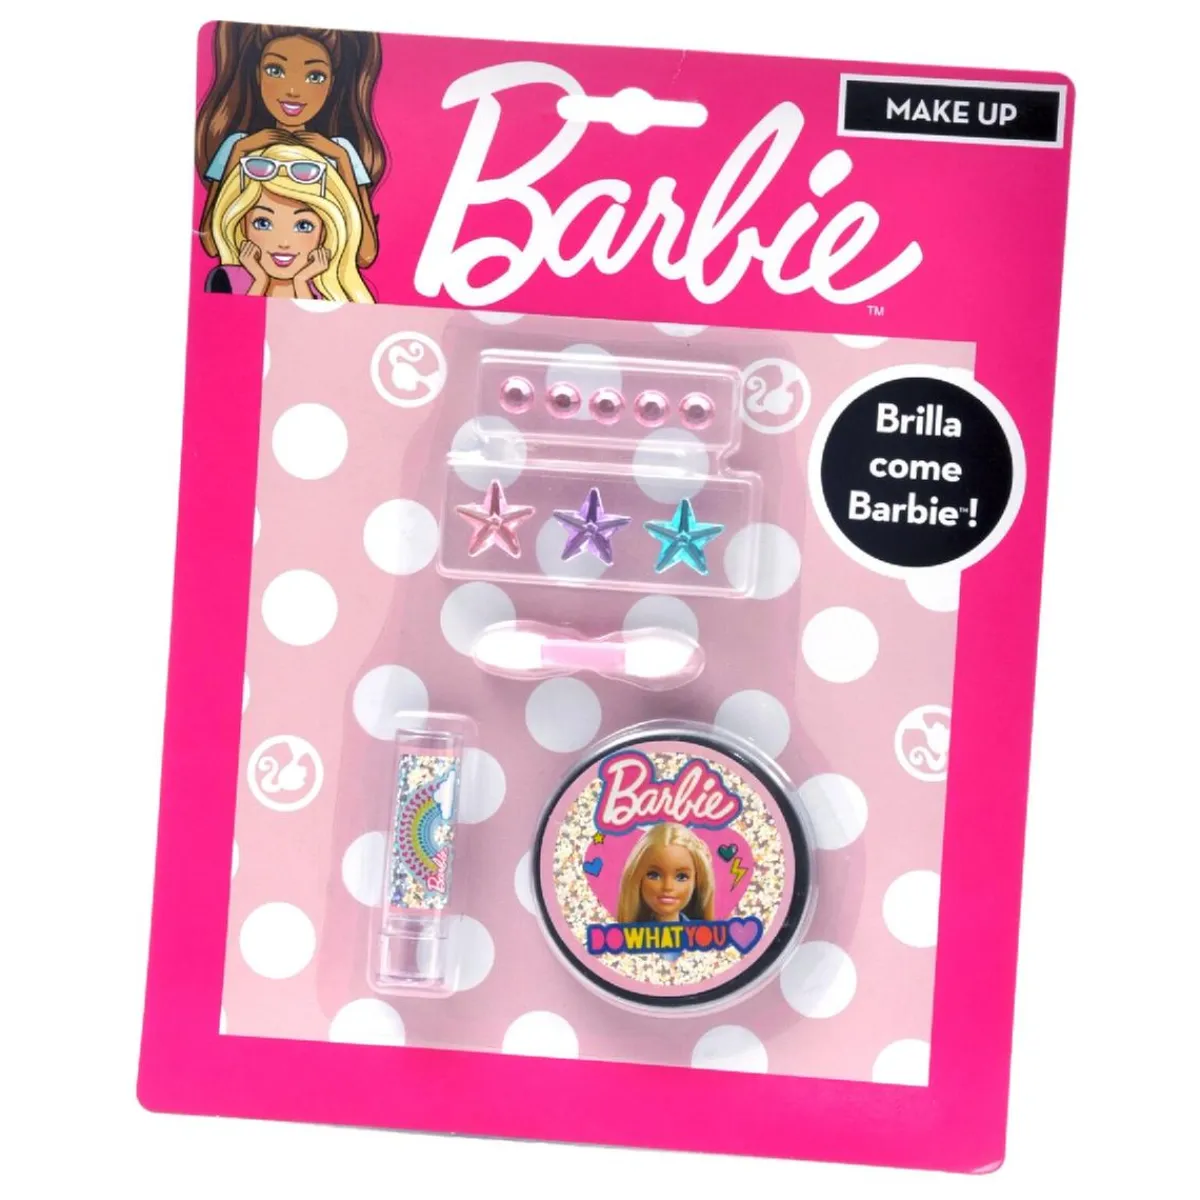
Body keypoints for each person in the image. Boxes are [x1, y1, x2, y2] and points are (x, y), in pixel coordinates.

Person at [195, 23, 386, 267]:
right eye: (275, 70)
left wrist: (342, 161)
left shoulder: (341, 151)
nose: (293, 91)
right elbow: (211, 244)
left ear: (331, 83)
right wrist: (239, 153)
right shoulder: (237, 145)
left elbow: (365, 255)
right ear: (258, 74)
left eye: (315, 76)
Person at [206, 141, 374, 302]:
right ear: (243, 226)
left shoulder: (328, 292)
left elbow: (313, 321)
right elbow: (233, 321)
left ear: (324, 232)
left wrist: (301, 282)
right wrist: (259, 282)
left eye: (303, 226)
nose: (284, 243)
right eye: (263, 223)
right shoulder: (225, 280)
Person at [615, 823, 715, 925]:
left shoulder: (700, 933)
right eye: (654, 875)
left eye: (681, 877)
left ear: (696, 881)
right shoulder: (626, 934)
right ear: (638, 879)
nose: (668, 887)